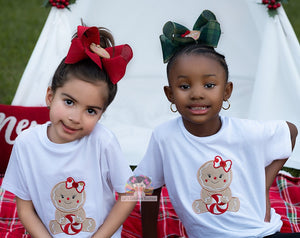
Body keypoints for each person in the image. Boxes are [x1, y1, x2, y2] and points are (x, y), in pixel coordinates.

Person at [134, 10, 298, 238]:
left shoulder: (244, 132)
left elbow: (290, 130)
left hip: (260, 233)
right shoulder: (165, 137)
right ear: (169, 94)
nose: (197, 94)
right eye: (184, 86)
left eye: (209, 85)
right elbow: (144, 187)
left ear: (227, 91)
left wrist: (264, 184)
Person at [2, 25, 136, 238]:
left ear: (101, 114)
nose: (75, 117)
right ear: (49, 96)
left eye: (90, 110)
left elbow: (131, 192)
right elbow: (25, 209)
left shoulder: (103, 142)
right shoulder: (26, 144)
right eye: (69, 102)